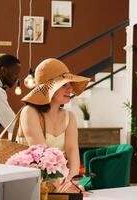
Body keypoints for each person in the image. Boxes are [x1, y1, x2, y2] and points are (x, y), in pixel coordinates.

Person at [18, 58, 90, 193]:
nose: (70, 88)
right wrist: (62, 187)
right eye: (63, 85)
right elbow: (42, 156)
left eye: (70, 83)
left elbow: (72, 151)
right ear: (48, 88)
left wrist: (73, 182)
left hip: (60, 181)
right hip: (31, 183)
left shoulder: (69, 116)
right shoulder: (30, 112)